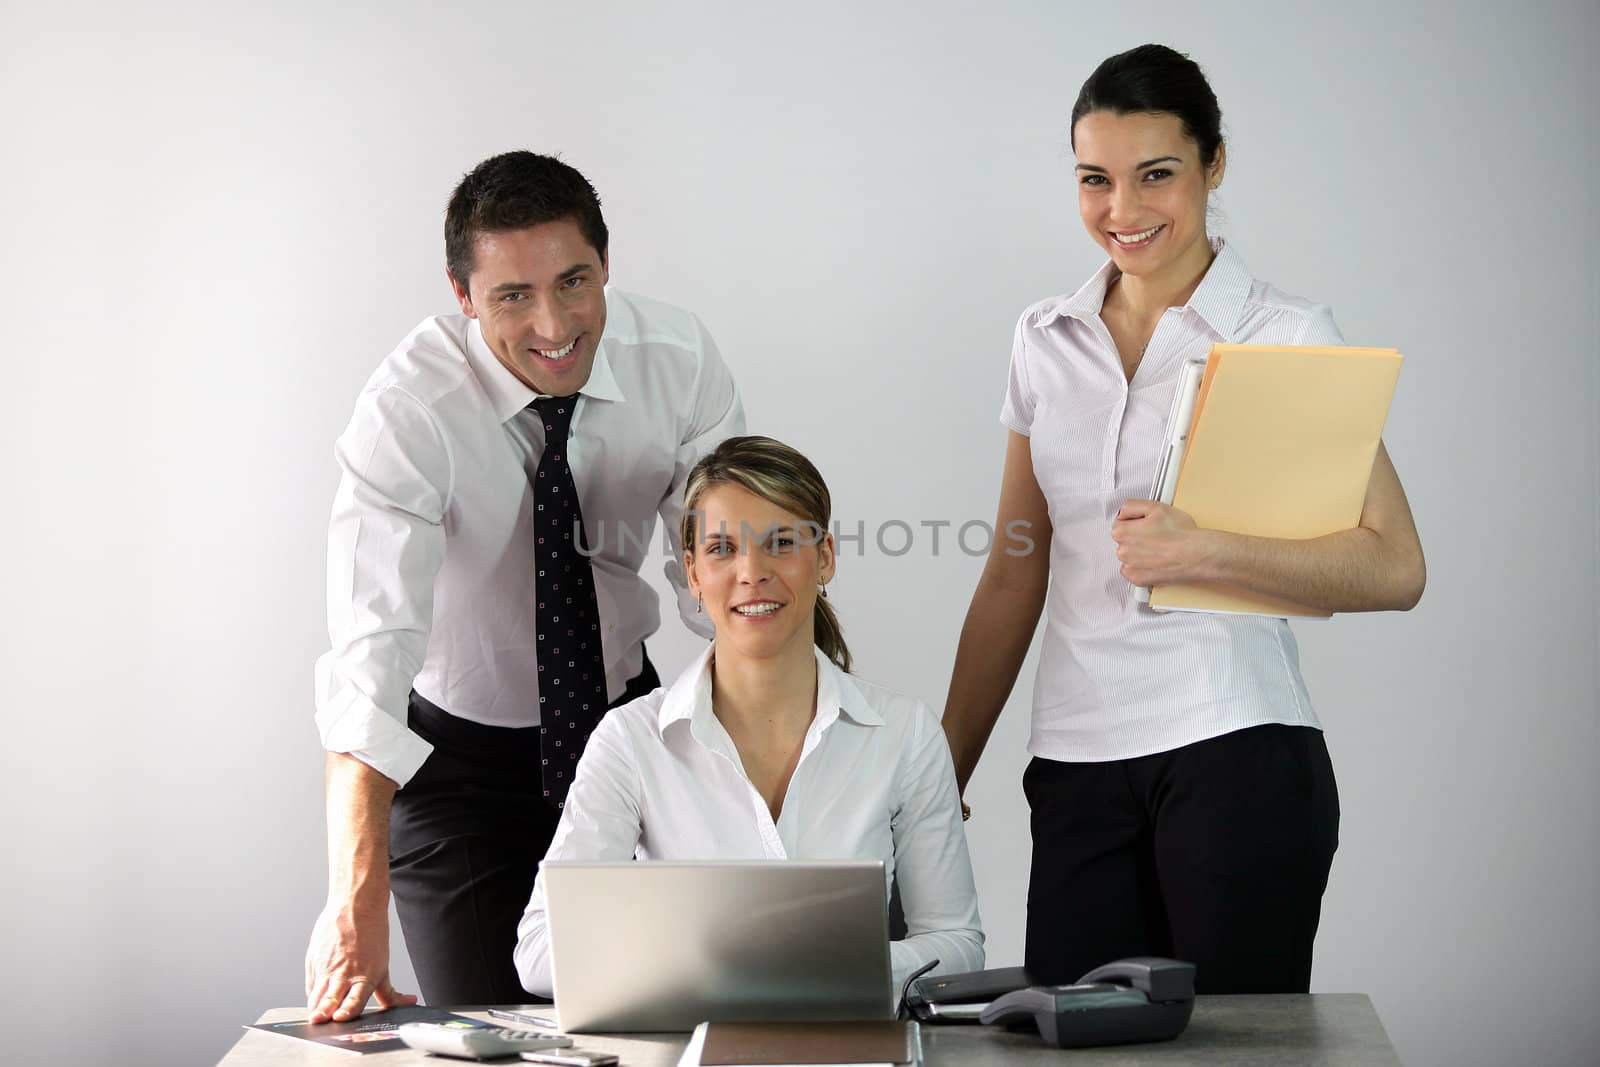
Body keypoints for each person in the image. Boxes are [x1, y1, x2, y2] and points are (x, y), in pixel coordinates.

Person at [941, 44, 1425, 994]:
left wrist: (1203, 548)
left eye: (1155, 175)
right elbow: (1014, 567)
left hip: (1236, 750)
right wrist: (942, 767)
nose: (1123, 211)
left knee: (1235, 1054)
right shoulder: (1044, 338)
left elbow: (1395, 565)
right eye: (1095, 180)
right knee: (1070, 1048)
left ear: (1214, 164)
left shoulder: (1284, 334)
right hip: (1076, 758)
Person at [304, 151, 745, 1020]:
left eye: (575, 281)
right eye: (513, 295)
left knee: (660, 1018)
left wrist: (804, 764)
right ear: (462, 294)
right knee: (494, 1031)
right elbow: (370, 658)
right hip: (460, 767)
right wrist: (356, 896)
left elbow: (727, 582)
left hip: (625, 735)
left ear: (607, 263)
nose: (554, 323)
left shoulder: (677, 359)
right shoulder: (409, 409)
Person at [514, 436, 985, 997]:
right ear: (691, 573)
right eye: (721, 549)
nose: (752, 571)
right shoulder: (630, 741)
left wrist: (816, 969)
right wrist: (720, 962)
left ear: (826, 557)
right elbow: (540, 950)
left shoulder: (905, 732)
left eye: (781, 542)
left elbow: (957, 943)